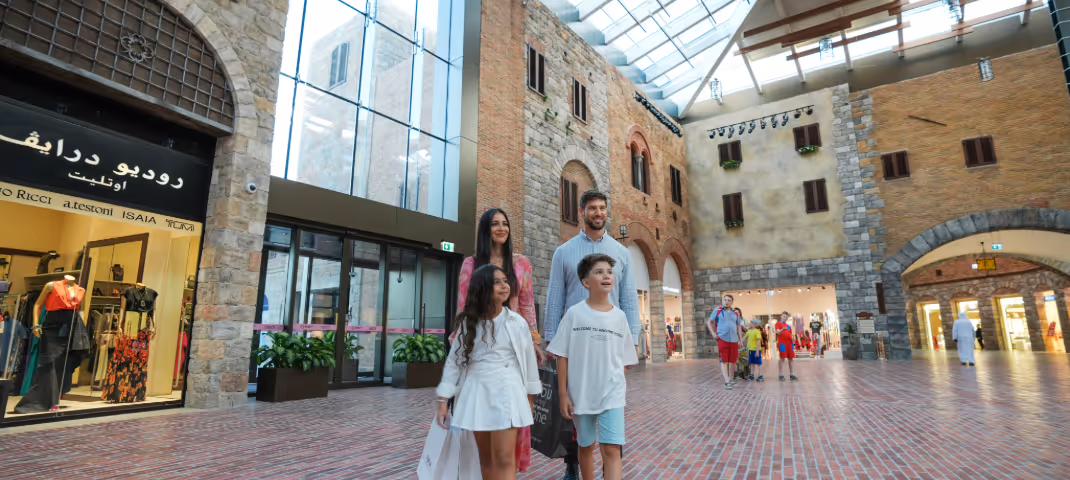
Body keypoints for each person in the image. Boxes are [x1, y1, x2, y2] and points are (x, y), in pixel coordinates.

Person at [544, 190, 640, 480]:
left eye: (602, 208)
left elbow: (629, 299)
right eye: (592, 208)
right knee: (574, 410)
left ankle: (610, 463)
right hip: (575, 342)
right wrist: (551, 340)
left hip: (610, 343)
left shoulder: (621, 254)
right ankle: (572, 464)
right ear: (581, 211)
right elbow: (555, 296)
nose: (598, 213)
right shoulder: (564, 252)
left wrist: (631, 342)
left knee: (610, 408)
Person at [434, 265, 542, 480]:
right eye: (497, 282)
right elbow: (454, 363)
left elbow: (529, 363)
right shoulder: (467, 324)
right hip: (476, 392)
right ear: (482, 287)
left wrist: (530, 397)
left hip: (508, 391)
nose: (505, 286)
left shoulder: (517, 322)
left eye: (506, 281)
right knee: (485, 459)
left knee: (504, 458)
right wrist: (442, 400)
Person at [456, 208, 542, 472]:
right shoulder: (471, 264)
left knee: (513, 418)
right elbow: (463, 306)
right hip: (481, 351)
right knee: (482, 421)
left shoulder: (521, 264)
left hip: (513, 350)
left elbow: (527, 305)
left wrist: (534, 341)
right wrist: (459, 349)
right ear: (486, 229)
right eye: (495, 224)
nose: (501, 228)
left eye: (505, 223)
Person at [707, 294, 745, 390]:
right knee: (724, 360)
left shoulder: (736, 312)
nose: (727, 301)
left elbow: (739, 326)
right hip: (722, 338)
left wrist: (741, 340)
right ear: (723, 301)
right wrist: (713, 334)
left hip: (733, 340)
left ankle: (731, 379)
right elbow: (709, 322)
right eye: (725, 300)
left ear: (732, 302)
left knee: (733, 361)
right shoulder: (718, 310)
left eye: (729, 300)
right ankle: (727, 380)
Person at [775, 312, 798, 381]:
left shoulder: (788, 326)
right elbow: (778, 332)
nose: (785, 318)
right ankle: (781, 375)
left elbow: (790, 334)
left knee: (791, 359)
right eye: (784, 316)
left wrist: (792, 338)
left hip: (790, 344)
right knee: (782, 358)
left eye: (786, 317)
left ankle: (792, 374)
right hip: (782, 344)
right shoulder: (778, 324)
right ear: (781, 316)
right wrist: (782, 329)